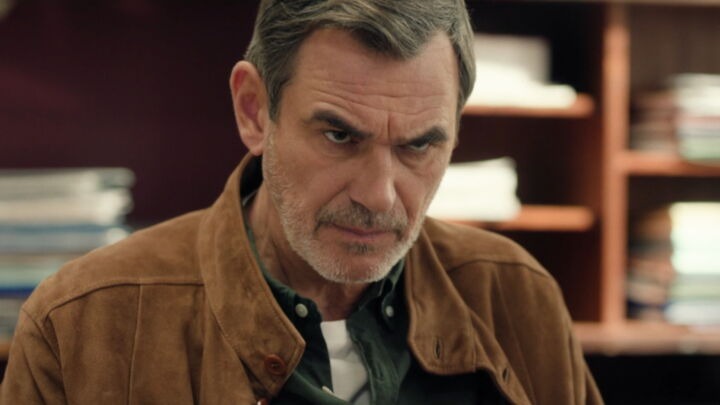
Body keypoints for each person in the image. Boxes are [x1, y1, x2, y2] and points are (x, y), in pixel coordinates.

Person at [0, 0, 602, 404]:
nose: (378, 196)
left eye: (420, 145)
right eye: (339, 136)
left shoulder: (517, 298)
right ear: (254, 111)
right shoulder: (82, 326)